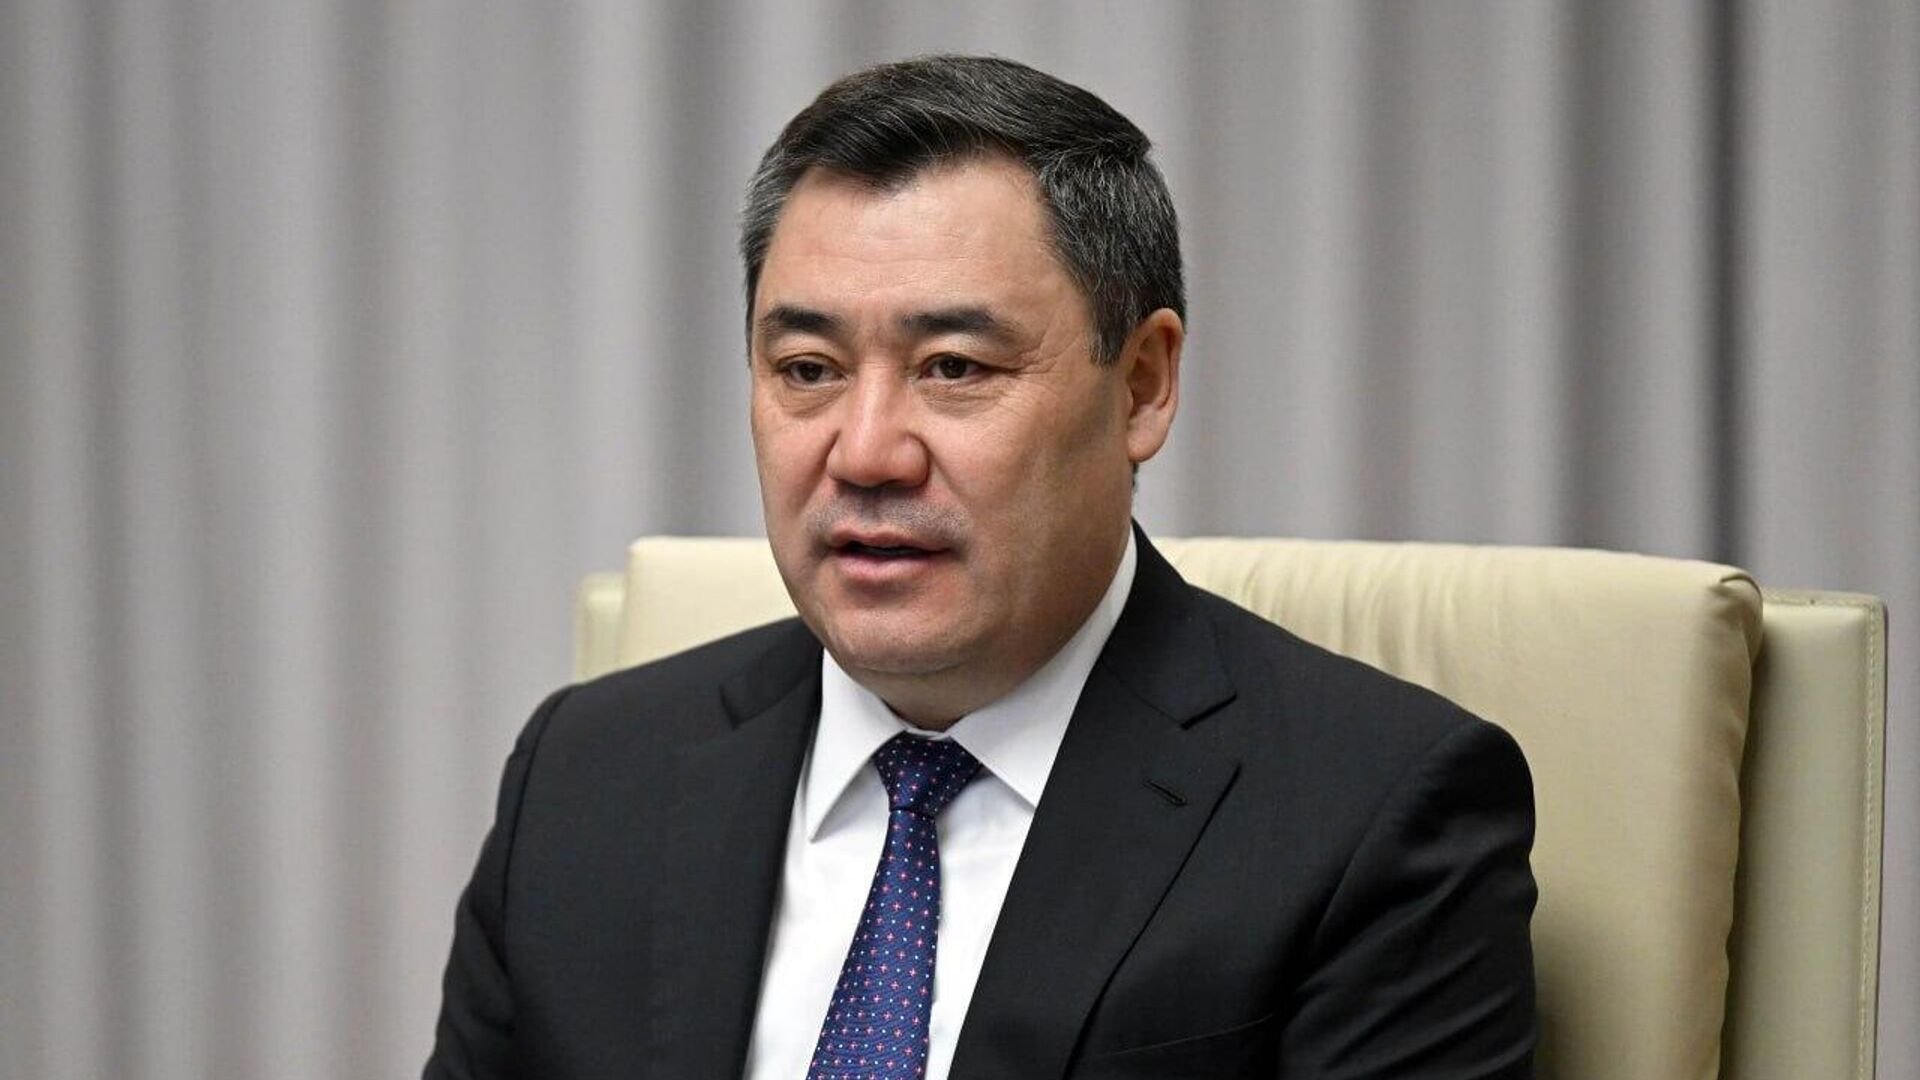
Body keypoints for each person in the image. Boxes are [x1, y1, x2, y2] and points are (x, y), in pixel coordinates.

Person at [425, 54, 1536, 1080]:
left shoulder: (1373, 815)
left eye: (953, 367)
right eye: (807, 368)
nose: (866, 453)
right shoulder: (584, 775)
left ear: (1143, 385)